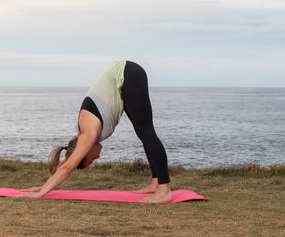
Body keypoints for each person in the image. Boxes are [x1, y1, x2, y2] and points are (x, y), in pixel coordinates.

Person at [21, 60, 172, 203]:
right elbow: (67, 163)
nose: (98, 157)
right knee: (144, 133)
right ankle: (156, 183)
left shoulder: (88, 133)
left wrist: (41, 194)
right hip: (125, 77)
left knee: (146, 131)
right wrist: (44, 187)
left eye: (91, 159)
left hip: (127, 74)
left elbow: (68, 168)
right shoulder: (82, 135)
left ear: (85, 150)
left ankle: (164, 189)